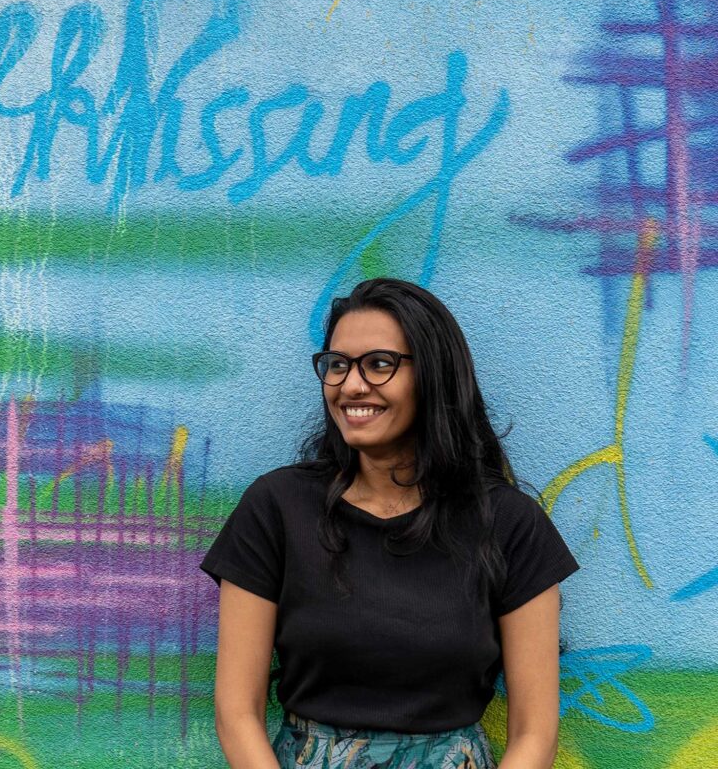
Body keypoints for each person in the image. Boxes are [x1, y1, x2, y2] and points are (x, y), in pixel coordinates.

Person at [199, 278, 580, 769]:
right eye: (337, 365)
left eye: (380, 364)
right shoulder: (277, 508)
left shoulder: (509, 524)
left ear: (434, 375)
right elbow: (236, 714)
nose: (351, 385)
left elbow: (536, 735)